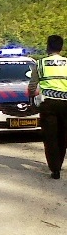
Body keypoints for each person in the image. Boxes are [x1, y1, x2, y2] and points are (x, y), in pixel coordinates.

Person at [28, 34, 67, 179]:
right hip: (65, 103)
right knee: (62, 134)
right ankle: (60, 162)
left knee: (50, 136)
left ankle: (54, 168)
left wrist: (32, 97)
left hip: (48, 103)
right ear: (61, 47)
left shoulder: (40, 64)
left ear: (48, 47)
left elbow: (32, 86)